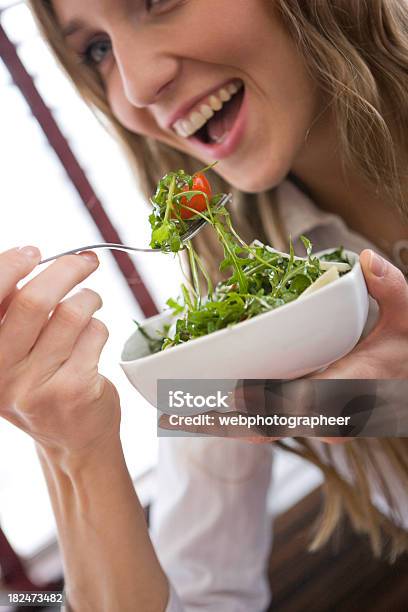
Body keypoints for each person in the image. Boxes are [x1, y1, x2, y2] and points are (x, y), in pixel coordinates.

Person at [1, 0, 408, 609]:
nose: (137, 86)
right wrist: (76, 452)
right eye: (97, 50)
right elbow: (199, 598)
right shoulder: (238, 306)